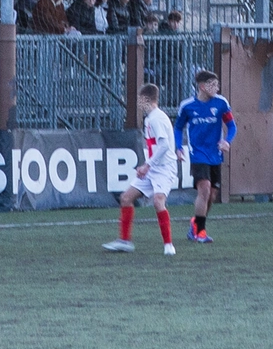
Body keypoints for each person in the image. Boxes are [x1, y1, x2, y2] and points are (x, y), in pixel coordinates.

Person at [102, 84, 178, 256]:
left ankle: (168, 245)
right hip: (152, 169)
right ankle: (125, 241)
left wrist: (146, 165)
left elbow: (164, 144)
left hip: (164, 169)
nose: (138, 103)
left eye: (140, 100)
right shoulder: (150, 118)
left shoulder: (157, 118)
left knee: (158, 202)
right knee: (126, 198)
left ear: (146, 100)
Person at [174, 70, 238, 243]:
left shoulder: (221, 103)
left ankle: (195, 226)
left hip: (215, 154)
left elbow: (232, 126)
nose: (217, 88)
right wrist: (178, 147)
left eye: (217, 85)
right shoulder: (187, 106)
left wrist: (227, 141)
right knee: (204, 190)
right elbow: (178, 127)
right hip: (198, 154)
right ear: (202, 86)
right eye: (213, 85)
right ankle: (200, 232)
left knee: (212, 195)